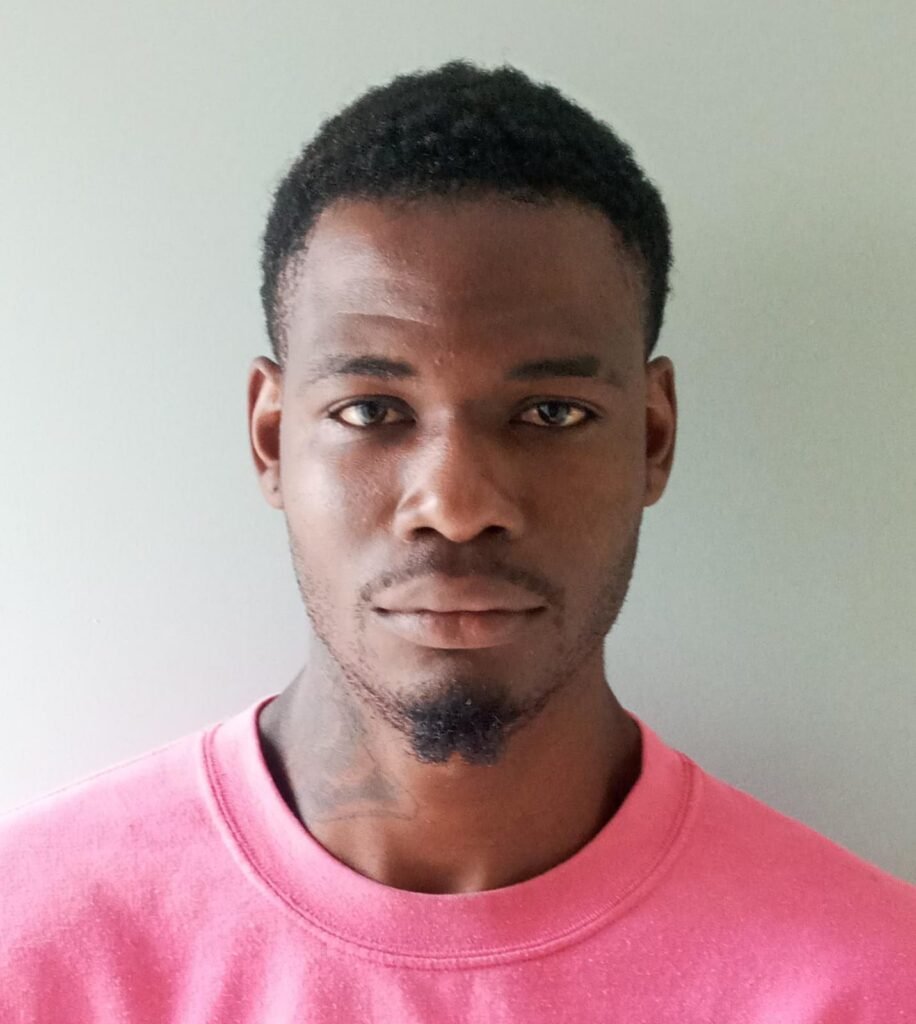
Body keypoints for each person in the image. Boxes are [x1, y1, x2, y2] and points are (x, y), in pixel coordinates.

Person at [1, 59, 913, 1023]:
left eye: (551, 412)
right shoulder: (32, 948)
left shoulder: (872, 984)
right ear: (271, 439)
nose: (456, 503)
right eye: (371, 409)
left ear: (653, 437)